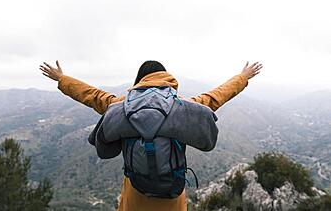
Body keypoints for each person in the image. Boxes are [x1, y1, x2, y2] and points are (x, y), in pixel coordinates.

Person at [40, 60, 262, 211]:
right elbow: (215, 97)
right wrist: (243, 77)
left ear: (139, 81)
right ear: (167, 79)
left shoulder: (121, 107)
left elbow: (92, 96)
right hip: (172, 197)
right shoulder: (183, 109)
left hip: (135, 197)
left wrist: (62, 79)